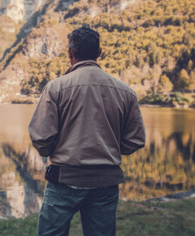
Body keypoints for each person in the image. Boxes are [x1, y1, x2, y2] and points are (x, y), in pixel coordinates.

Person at [28, 26, 146, 236]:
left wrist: (57, 148)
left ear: (70, 53)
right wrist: (107, 146)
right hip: (106, 182)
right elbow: (135, 140)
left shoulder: (55, 88)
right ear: (99, 53)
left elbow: (41, 138)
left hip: (64, 179)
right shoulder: (125, 92)